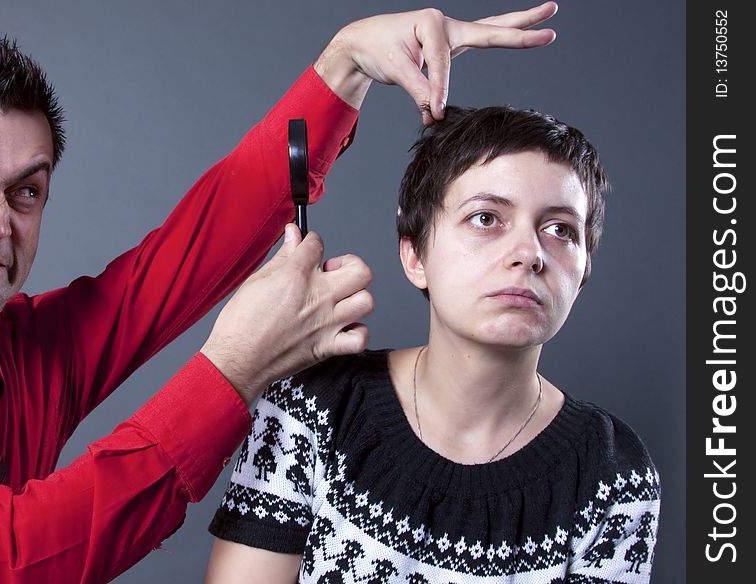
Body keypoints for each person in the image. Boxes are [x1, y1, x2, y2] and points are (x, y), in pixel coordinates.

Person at [0, 0, 560, 582]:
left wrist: (345, 65)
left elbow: (186, 253)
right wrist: (234, 369)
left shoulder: (27, 350)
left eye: (25, 192)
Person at [207, 106, 661, 582]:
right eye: (486, 218)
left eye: (560, 230)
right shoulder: (313, 410)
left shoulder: (614, 473)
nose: (529, 254)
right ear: (416, 255)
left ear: (584, 270)